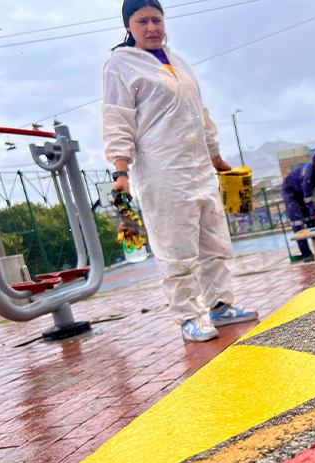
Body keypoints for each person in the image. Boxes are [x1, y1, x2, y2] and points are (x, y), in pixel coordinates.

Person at [102, 0, 258, 343]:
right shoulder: (120, 65)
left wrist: (216, 158)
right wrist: (120, 170)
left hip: (199, 167)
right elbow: (118, 120)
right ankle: (188, 316)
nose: (152, 27)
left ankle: (220, 305)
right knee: (176, 246)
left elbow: (199, 114)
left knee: (213, 240)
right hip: (163, 170)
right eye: (142, 21)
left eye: (157, 19)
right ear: (128, 26)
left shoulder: (177, 60)